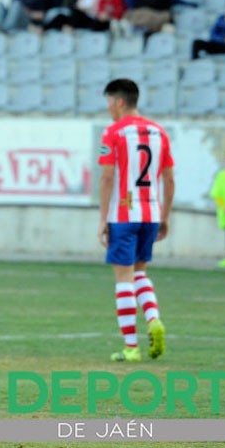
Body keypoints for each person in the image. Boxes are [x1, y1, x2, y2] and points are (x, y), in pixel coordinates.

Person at [98, 79, 175, 363]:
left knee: (123, 279)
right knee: (139, 273)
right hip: (151, 213)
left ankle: (131, 346)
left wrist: (104, 217)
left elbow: (107, 177)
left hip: (124, 213)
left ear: (119, 102)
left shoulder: (113, 132)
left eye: (108, 102)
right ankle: (153, 319)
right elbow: (169, 178)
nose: (107, 108)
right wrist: (165, 215)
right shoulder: (159, 132)